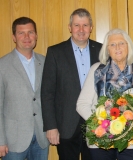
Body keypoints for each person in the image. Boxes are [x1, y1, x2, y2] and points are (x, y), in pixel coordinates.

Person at [76, 28, 133, 160]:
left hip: (130, 141)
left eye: (122, 43)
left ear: (128, 46)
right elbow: (81, 104)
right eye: (112, 44)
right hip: (101, 141)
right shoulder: (97, 70)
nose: (117, 47)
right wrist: (100, 126)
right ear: (107, 49)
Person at [41, 8, 102, 160]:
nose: (81, 30)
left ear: (91, 28)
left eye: (85, 25)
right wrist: (51, 126)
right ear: (69, 27)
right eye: (76, 25)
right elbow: (47, 93)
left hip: (96, 124)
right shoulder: (55, 52)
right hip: (65, 126)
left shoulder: (102, 51)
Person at [0, 17, 49, 160]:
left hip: (41, 137)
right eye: (21, 33)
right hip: (13, 140)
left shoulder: (46, 62)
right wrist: (0, 140)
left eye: (31, 32)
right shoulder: (2, 65)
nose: (27, 37)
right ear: (14, 37)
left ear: (36, 36)